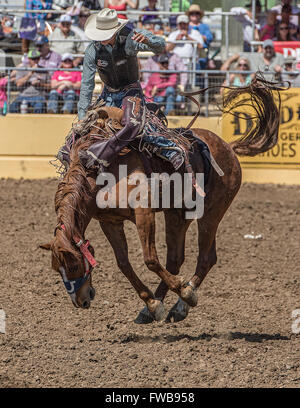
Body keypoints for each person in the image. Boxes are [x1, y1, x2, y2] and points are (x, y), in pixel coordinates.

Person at [57, 8, 170, 171]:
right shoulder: (92, 51)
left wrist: (149, 41)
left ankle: (167, 148)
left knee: (135, 124)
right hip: (107, 94)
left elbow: (161, 46)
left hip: (130, 90)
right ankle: (69, 154)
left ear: (115, 31)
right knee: (84, 127)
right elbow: (87, 84)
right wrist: (82, 115)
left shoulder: (131, 38)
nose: (100, 38)